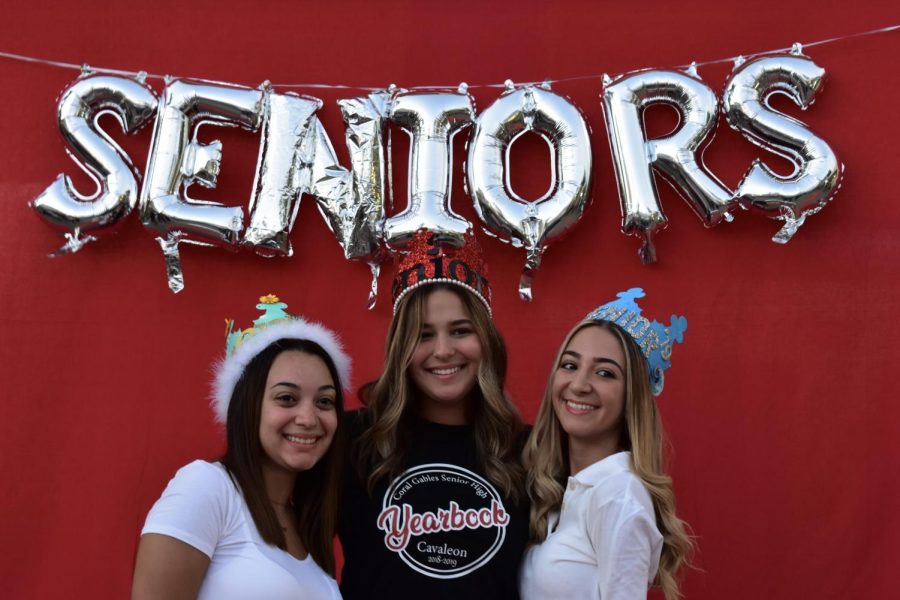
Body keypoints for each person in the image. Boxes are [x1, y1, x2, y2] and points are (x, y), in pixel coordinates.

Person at [339, 230, 529, 599]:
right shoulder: (353, 438)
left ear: (486, 341)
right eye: (423, 335)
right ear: (401, 349)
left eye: (460, 331)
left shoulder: (528, 449)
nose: (443, 350)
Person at [132, 294, 351, 600]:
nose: (308, 418)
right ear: (247, 406)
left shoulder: (305, 522)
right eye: (287, 398)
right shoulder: (207, 486)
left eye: (324, 401)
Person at [519, 288, 694, 600]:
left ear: (632, 396)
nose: (579, 385)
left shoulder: (618, 496)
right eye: (570, 365)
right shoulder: (561, 489)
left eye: (604, 373)